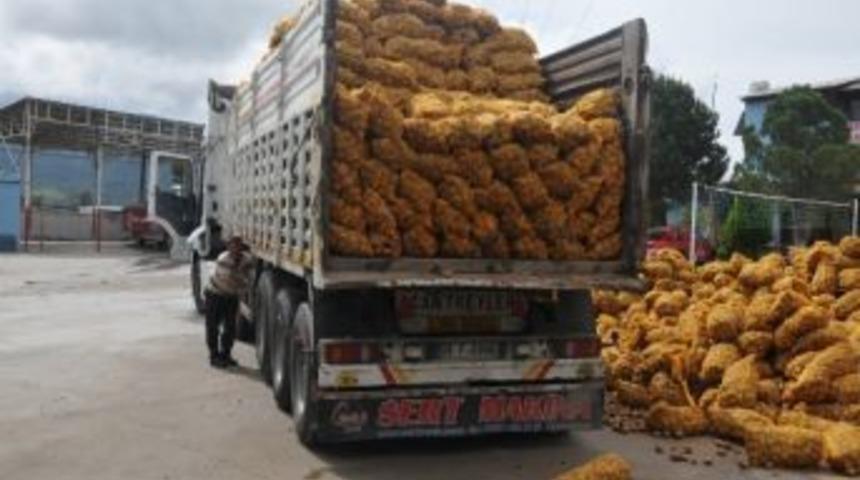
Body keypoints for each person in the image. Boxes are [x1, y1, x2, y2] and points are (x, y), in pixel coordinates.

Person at [205, 236, 253, 369]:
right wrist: (245, 278)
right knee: (213, 326)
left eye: (238, 246)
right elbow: (231, 279)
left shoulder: (245, 259)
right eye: (233, 246)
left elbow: (246, 274)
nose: (236, 249)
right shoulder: (223, 259)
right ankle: (214, 356)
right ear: (228, 247)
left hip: (230, 296)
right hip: (215, 294)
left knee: (230, 327)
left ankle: (226, 355)